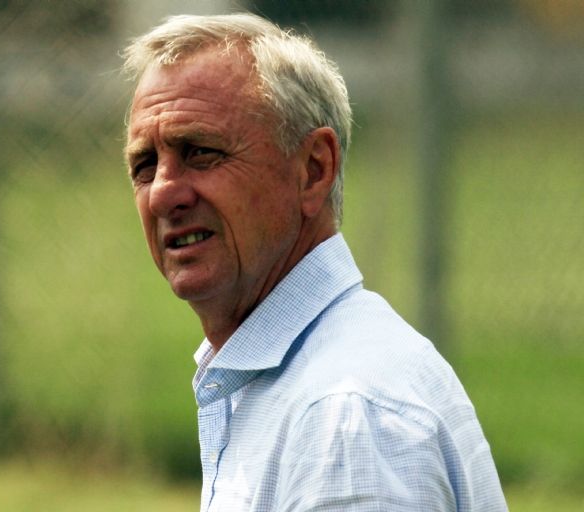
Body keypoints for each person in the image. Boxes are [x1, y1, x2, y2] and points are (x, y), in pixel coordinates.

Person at [122, 13, 507, 512]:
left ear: (313, 169)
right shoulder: (297, 382)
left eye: (200, 152)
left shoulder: (345, 421)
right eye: (145, 165)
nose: (162, 194)